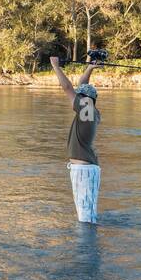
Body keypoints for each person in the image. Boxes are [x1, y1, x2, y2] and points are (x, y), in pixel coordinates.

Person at [49, 56, 100, 224]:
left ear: (85, 99)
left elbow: (67, 87)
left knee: (86, 218)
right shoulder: (90, 109)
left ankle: (88, 249)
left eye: (80, 96)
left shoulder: (87, 109)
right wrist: (90, 68)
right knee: (84, 215)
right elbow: (80, 86)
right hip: (82, 169)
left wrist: (55, 66)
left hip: (84, 170)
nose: (75, 97)